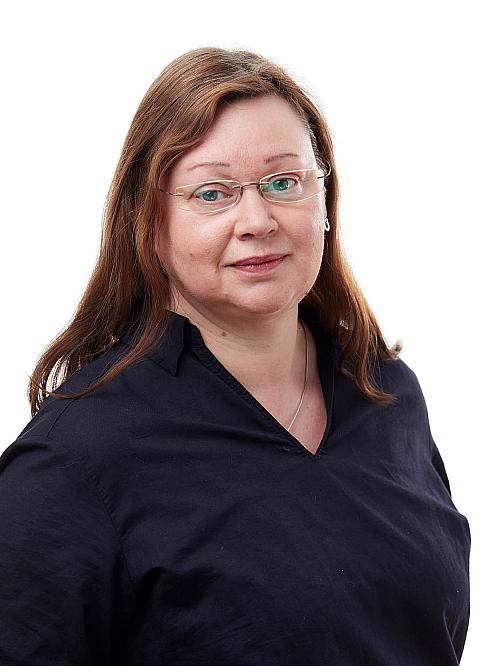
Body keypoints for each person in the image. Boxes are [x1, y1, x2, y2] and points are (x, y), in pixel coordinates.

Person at [0, 46, 470, 665]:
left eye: (283, 183)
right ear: (148, 220)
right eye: (212, 193)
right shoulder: (74, 459)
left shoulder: (385, 391)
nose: (257, 220)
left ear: (324, 199)